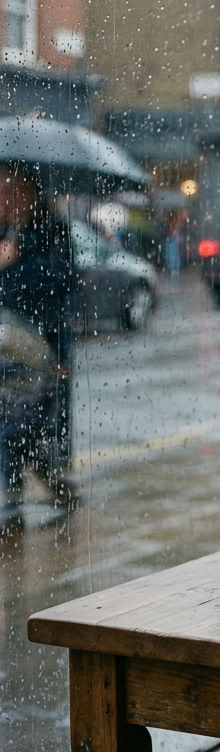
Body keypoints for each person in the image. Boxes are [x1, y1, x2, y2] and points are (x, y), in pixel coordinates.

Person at [0, 167, 75, 506]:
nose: (8, 199)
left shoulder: (51, 231)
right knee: (11, 424)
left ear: (31, 194)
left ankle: (39, 485)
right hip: (5, 349)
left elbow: (63, 288)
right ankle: (22, 491)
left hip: (39, 348)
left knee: (24, 424)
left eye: (15, 191)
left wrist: (21, 259)